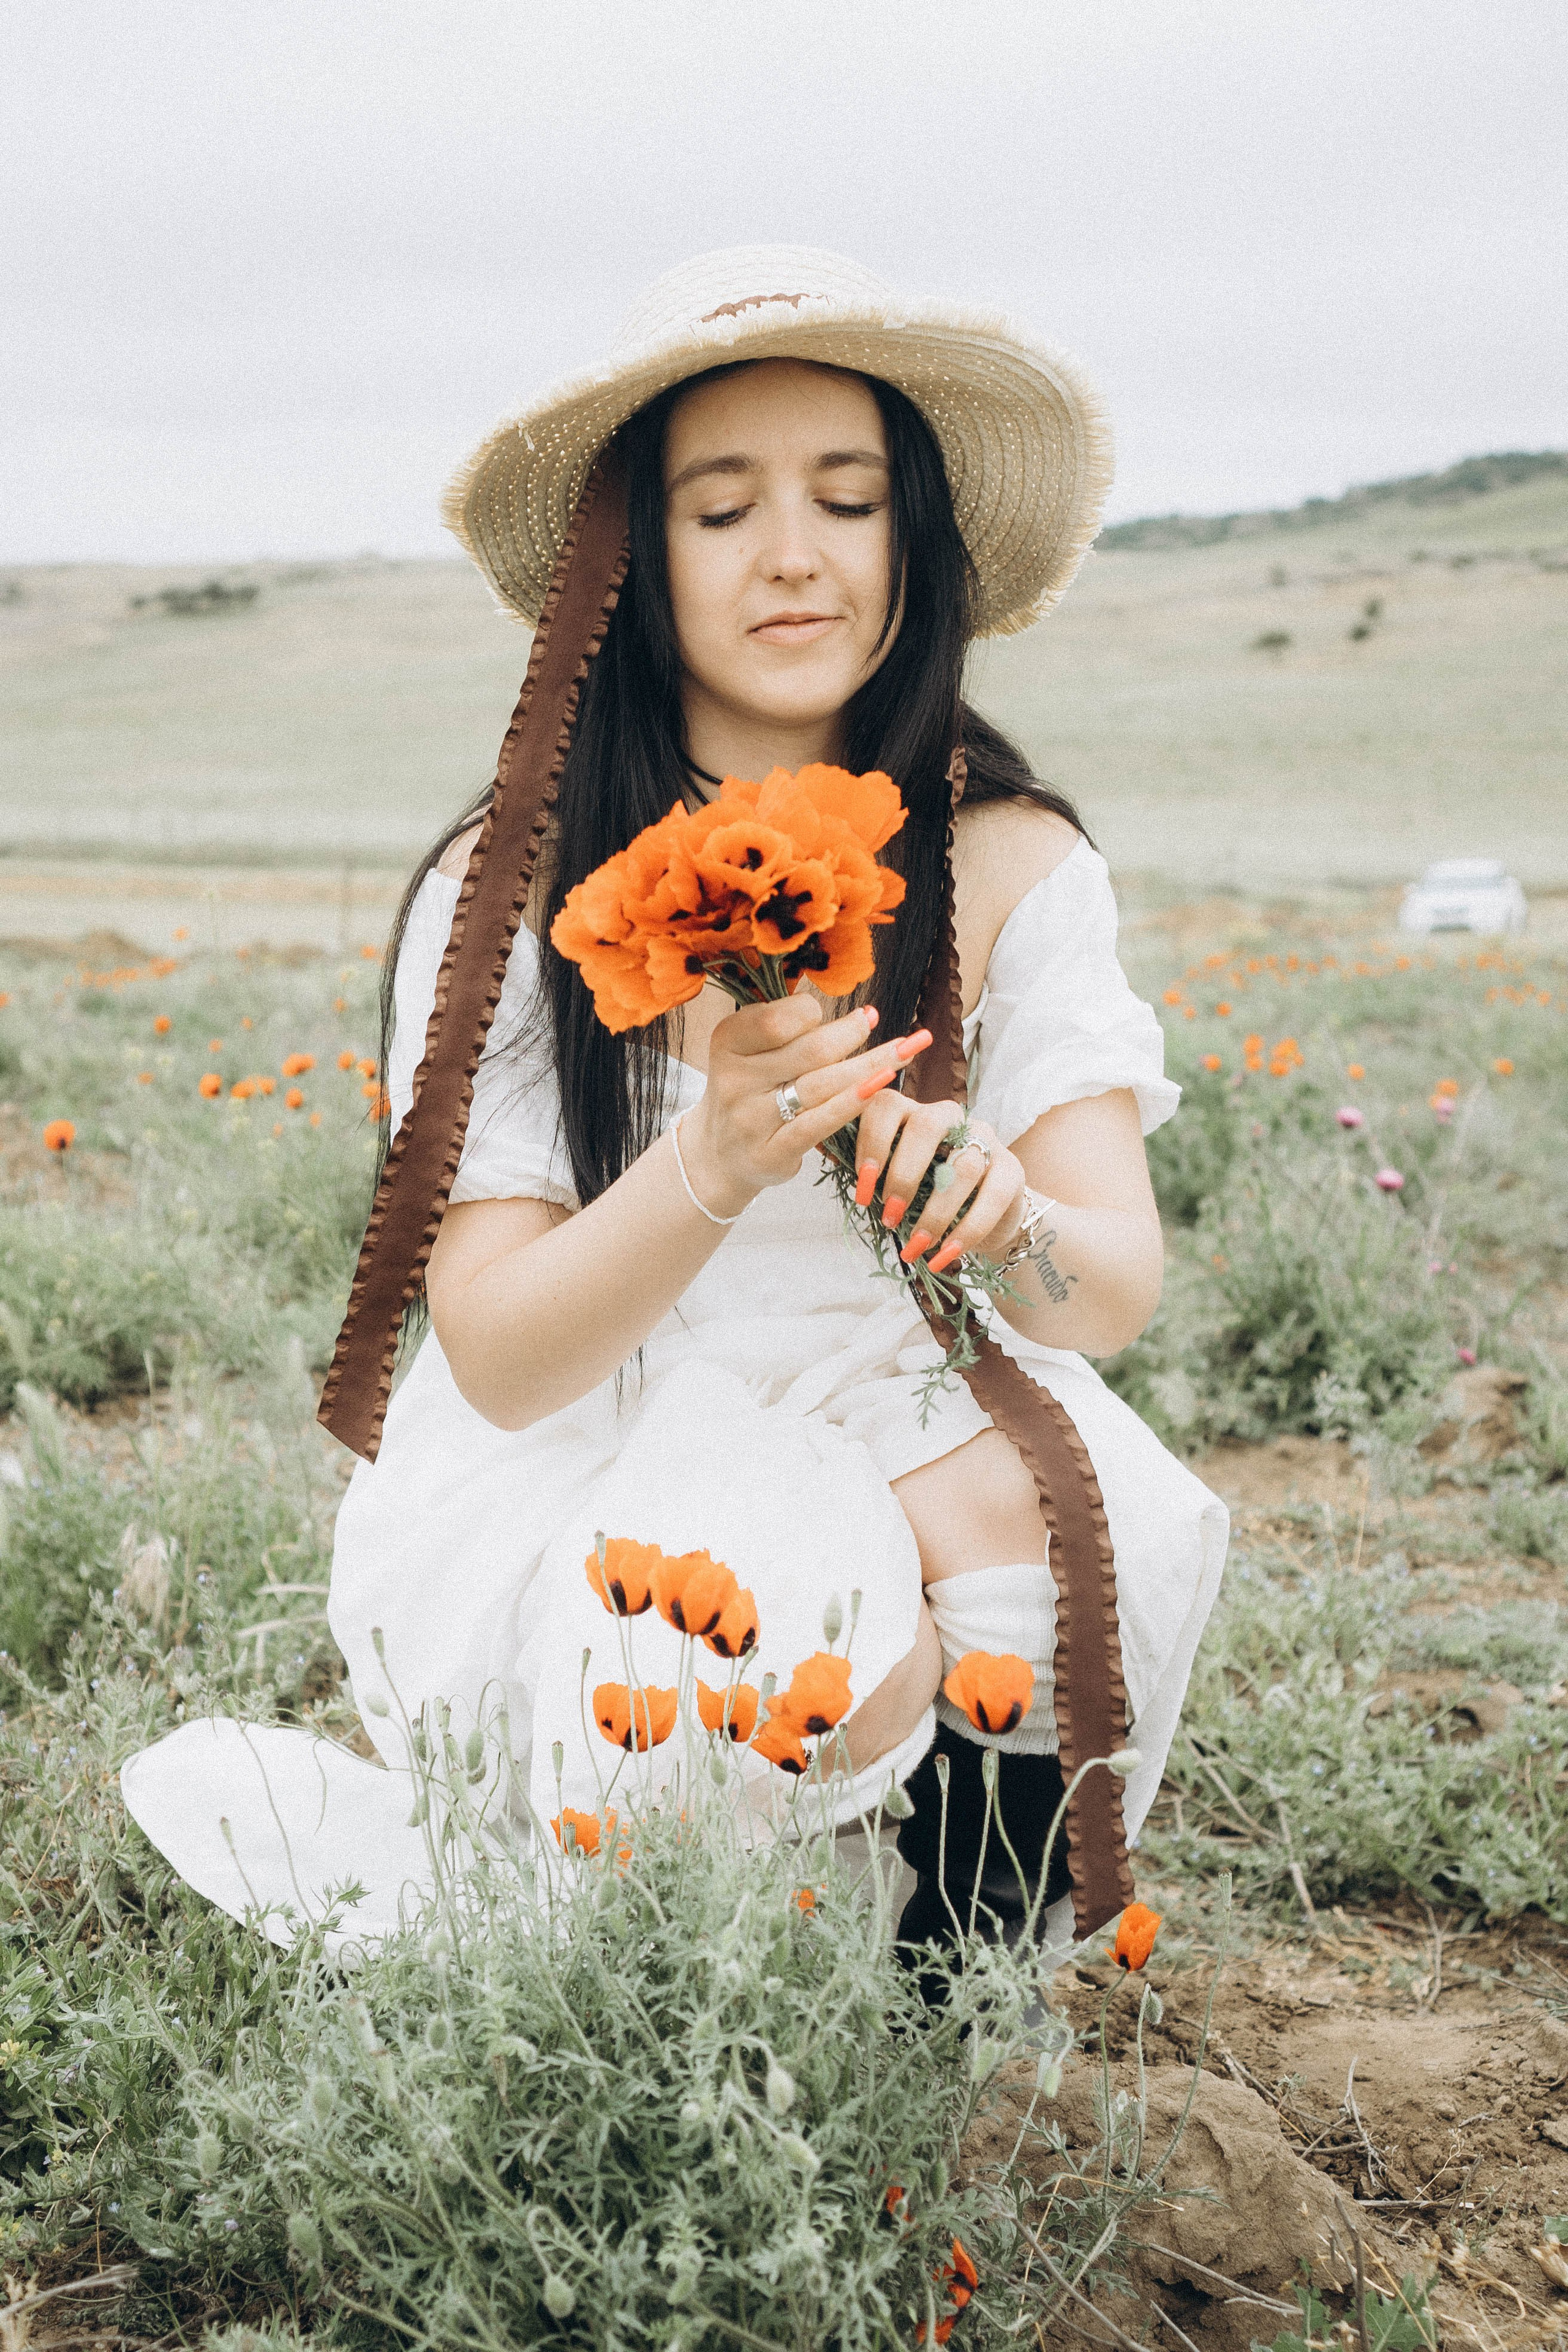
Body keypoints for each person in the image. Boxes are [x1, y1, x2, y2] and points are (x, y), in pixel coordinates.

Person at [123, 247, 1228, 1956]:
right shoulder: (510, 888)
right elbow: (497, 1353)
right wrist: (707, 1163)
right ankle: (700, 2013)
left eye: (846, 499)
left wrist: (1006, 1219)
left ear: (910, 539)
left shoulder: (1012, 859)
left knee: (1037, 1516)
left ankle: (952, 2014)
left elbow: (1115, 1287)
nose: (795, 553)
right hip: (609, 1417)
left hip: (905, 1387)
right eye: (722, 511)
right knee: (781, 1626)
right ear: (629, 568)